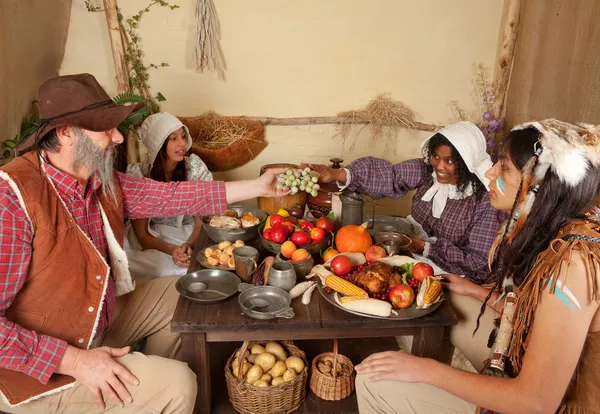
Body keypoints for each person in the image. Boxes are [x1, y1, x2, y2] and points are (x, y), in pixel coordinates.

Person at [0, 73, 287, 414]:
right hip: (38, 372)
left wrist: (258, 186)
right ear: (65, 133)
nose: (118, 137)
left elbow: (170, 197)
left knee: (186, 293)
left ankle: (141, 394)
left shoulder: (97, 178)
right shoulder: (12, 197)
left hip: (93, 326)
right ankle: (159, 389)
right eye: (106, 128)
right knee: (179, 384)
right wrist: (77, 362)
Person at [355, 119, 600, 414]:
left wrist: (425, 370)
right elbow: (528, 312)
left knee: (371, 380)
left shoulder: (572, 264)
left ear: (539, 185)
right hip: (521, 353)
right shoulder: (550, 230)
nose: (489, 172)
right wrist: (471, 289)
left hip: (558, 405)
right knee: (443, 293)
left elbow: (535, 403)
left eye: (504, 167)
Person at [124, 112, 212, 281]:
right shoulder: (138, 175)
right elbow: (143, 237)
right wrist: (172, 250)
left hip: (189, 233)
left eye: (183, 136)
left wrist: (188, 246)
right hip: (153, 237)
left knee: (203, 260)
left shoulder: (194, 167)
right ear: (158, 144)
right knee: (128, 264)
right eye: (173, 138)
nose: (182, 144)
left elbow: (199, 225)